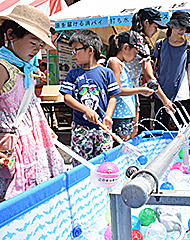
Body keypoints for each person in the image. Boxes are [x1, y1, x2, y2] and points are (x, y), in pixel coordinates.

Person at [0, 5, 64, 200]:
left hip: (31, 145)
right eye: (33, 42)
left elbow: (29, 106)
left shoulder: (22, 68)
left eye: (40, 46)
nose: (37, 50)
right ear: (11, 35)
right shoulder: (3, 68)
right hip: (12, 150)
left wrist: (44, 127)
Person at [59, 30, 121, 165]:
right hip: (80, 127)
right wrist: (85, 110)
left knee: (104, 164)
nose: (73, 54)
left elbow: (113, 97)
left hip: (102, 127)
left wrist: (108, 116)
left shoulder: (107, 73)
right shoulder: (73, 74)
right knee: (81, 164)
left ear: (90, 50)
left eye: (76, 50)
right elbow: (67, 98)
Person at [126, 8, 175, 138]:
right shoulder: (139, 42)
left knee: (124, 136)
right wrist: (165, 101)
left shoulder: (127, 38)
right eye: (155, 26)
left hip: (123, 92)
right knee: (129, 136)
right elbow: (150, 78)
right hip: (128, 95)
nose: (156, 31)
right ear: (146, 22)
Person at [153, 11, 190, 130]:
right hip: (161, 93)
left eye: (184, 28)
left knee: (183, 131)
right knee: (159, 129)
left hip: (182, 94)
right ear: (171, 26)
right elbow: (154, 69)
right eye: (179, 27)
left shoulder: (189, 46)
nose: (181, 30)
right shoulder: (160, 44)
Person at [107, 30, 154, 141]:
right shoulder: (114, 62)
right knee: (121, 146)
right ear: (125, 47)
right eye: (135, 52)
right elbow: (116, 90)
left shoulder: (121, 64)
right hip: (119, 115)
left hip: (125, 113)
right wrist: (140, 90)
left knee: (125, 143)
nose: (135, 56)